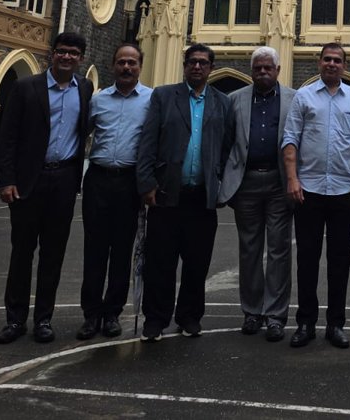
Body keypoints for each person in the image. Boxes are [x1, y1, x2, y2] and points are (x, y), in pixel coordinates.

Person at [0, 31, 93, 345]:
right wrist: (6, 179)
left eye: (73, 53)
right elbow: (7, 136)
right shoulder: (27, 87)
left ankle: (44, 320)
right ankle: (15, 319)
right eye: (62, 52)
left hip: (63, 180)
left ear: (81, 58)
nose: (67, 57)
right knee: (22, 252)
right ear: (53, 54)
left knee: (53, 254)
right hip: (27, 181)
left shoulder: (86, 89)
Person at [135, 43, 236, 342]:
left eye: (203, 63)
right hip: (166, 193)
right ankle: (155, 319)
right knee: (160, 261)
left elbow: (227, 146)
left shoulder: (222, 102)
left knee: (197, 262)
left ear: (211, 68)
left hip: (201, 196)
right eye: (192, 61)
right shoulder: (164, 96)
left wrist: (220, 183)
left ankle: (190, 316)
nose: (197, 67)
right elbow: (148, 142)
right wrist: (146, 183)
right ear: (184, 64)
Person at [282, 43, 350, 349]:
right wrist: (292, 179)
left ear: (345, 66)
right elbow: (290, 138)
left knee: (340, 260)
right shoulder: (303, 96)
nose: (332, 64)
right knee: (307, 259)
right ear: (319, 63)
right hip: (309, 190)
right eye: (327, 59)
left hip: (343, 189)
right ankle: (305, 322)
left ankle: (336, 324)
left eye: (338, 60)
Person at [219, 46, 297, 343]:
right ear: (251, 72)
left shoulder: (294, 99)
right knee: (249, 249)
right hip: (247, 183)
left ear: (278, 70)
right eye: (258, 68)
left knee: (279, 250)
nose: (263, 72)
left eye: (268, 68)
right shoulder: (234, 100)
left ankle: (275, 315)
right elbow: (226, 144)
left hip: (279, 183)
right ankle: (252, 310)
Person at [76, 43, 152, 341]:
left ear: (140, 66)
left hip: (129, 182)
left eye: (132, 62)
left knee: (122, 251)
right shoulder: (97, 100)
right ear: (113, 65)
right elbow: (80, 133)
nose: (127, 67)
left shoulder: (151, 99)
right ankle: (90, 314)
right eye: (122, 62)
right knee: (94, 250)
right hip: (98, 179)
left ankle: (112, 314)